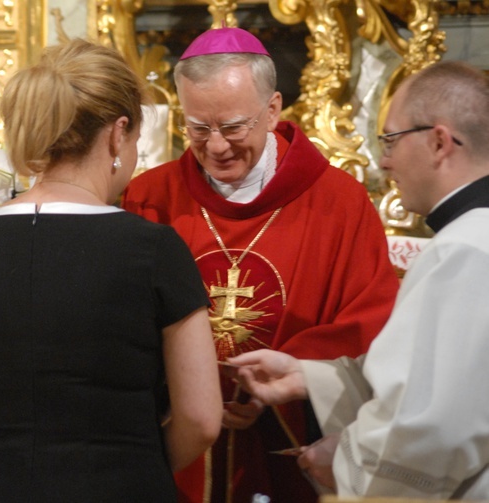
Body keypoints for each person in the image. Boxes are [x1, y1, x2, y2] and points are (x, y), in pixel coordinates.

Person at [0, 38, 223, 502]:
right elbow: (200, 417)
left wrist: (3, 459)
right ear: (118, 134)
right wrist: (138, 464)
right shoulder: (154, 250)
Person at [120, 26, 400, 502]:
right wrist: (185, 392)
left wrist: (289, 377)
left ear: (272, 110)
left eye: (232, 127)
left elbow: (371, 322)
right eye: (197, 128)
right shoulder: (150, 198)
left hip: (295, 444)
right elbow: (119, 324)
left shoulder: (339, 202)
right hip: (175, 446)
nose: (216, 147)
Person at [231, 60, 489, 500]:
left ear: (440, 142)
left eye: (389, 139)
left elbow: (435, 427)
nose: (384, 161)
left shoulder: (463, 251)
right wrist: (308, 377)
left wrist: (348, 459)